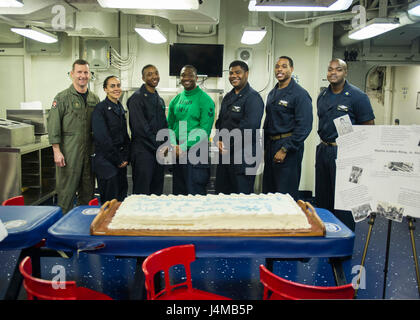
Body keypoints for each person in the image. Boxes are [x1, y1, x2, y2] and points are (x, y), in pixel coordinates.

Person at [316, 58, 375, 231]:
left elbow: (368, 128)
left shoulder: (358, 96)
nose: (333, 72)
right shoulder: (323, 96)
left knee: (344, 201)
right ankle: (326, 238)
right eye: (330, 69)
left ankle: (344, 244)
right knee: (323, 199)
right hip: (324, 150)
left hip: (346, 153)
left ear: (345, 72)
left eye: (338, 69)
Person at [47, 59, 100, 214]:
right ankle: (62, 233)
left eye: (85, 72)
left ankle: (82, 230)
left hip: (89, 155)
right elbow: (53, 124)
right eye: (79, 72)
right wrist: (56, 151)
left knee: (87, 195)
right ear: (72, 74)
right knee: (66, 195)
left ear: (89, 75)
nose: (82, 76)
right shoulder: (62, 98)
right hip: (69, 155)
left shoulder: (94, 99)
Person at [262, 56, 313, 201]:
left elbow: (304, 126)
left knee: (285, 191)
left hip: (288, 146)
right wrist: (265, 147)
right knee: (269, 190)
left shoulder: (300, 94)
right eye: (277, 66)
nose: (279, 69)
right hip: (271, 145)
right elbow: (268, 121)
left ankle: (289, 222)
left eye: (284, 66)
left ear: (291, 69)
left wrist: (285, 149)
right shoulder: (273, 93)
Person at [214, 60, 264, 194]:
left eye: (238, 72)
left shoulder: (253, 98)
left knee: (241, 197)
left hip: (243, 158)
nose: (233, 76)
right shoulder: (228, 97)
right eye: (231, 73)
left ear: (246, 74)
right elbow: (220, 122)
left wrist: (226, 144)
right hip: (225, 157)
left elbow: (249, 127)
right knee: (222, 194)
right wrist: (218, 140)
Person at [167, 65, 215, 195]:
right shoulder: (176, 100)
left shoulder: (205, 100)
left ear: (196, 78)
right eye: (183, 75)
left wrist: (184, 146)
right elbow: (170, 125)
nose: (186, 78)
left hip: (196, 152)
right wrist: (173, 144)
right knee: (179, 193)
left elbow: (204, 130)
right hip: (178, 152)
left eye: (190, 75)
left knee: (195, 193)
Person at [127, 65, 168, 195]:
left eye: (156, 73)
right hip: (143, 153)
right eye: (149, 74)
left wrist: (166, 144)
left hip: (158, 153)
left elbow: (163, 125)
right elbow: (141, 129)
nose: (154, 76)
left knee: (157, 192)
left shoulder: (159, 99)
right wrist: (159, 146)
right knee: (142, 193)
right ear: (143, 78)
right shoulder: (136, 98)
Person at [91, 76, 130, 203]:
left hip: (120, 162)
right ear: (105, 89)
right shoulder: (100, 109)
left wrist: (126, 157)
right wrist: (118, 159)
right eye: (112, 86)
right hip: (106, 162)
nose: (116, 89)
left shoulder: (120, 108)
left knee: (121, 199)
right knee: (109, 202)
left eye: (118, 85)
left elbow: (125, 136)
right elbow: (103, 139)